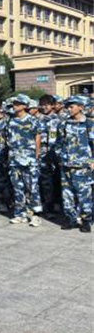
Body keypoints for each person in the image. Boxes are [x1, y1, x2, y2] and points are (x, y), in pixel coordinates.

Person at [55, 96, 94, 232]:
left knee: (84, 194)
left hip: (82, 165)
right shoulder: (64, 124)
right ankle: (70, 219)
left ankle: (86, 220)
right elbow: (58, 143)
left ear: (80, 107)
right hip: (66, 164)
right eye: (68, 106)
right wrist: (60, 156)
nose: (69, 109)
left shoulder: (88, 124)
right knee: (67, 193)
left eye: (72, 106)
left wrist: (92, 161)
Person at [6, 94, 42, 226]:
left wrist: (36, 155)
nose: (14, 105)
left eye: (17, 103)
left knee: (32, 187)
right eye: (14, 103)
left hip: (29, 159)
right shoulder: (11, 120)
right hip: (14, 159)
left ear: (25, 106)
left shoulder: (32, 120)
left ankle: (36, 214)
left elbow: (37, 137)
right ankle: (20, 214)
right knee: (17, 188)